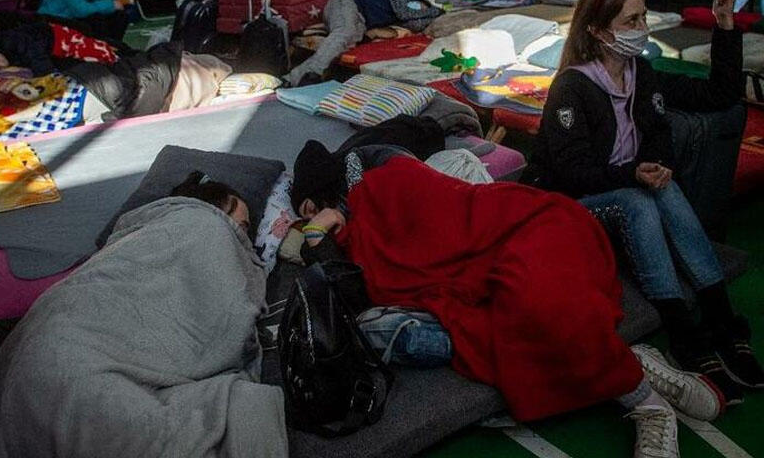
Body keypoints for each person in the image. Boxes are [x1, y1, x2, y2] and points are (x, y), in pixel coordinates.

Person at [289, 140, 725, 458]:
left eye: (310, 210)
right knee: (495, 324)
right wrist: (326, 227)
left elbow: (440, 208)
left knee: (538, 304)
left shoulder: (384, 171)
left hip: (530, 225)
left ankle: (646, 405)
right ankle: (637, 368)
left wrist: (341, 214)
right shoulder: (347, 219)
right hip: (483, 265)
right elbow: (356, 283)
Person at [530, 0, 764, 406]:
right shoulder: (572, 87)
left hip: (625, 187)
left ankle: (721, 320)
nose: (642, 27)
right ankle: (683, 332)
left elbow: (719, 94)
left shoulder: (643, 74)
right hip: (572, 205)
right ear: (600, 32)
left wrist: (725, 22)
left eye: (643, 17)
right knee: (638, 199)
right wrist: (634, 175)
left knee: (663, 187)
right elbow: (571, 172)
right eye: (631, 20)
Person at [0, 172, 288, 458]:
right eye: (241, 226)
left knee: (64, 387)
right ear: (217, 209)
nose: (243, 238)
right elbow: (226, 304)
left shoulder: (139, 233)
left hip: (42, 349)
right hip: (73, 343)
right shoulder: (202, 223)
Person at [283, 0, 442, 86]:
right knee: (343, 34)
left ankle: (294, 78)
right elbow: (405, 12)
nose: (418, 9)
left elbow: (414, 24)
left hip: (360, 21)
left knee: (346, 43)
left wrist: (430, 16)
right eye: (421, 5)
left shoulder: (402, 20)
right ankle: (312, 74)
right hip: (347, 3)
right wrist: (438, 11)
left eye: (422, 10)